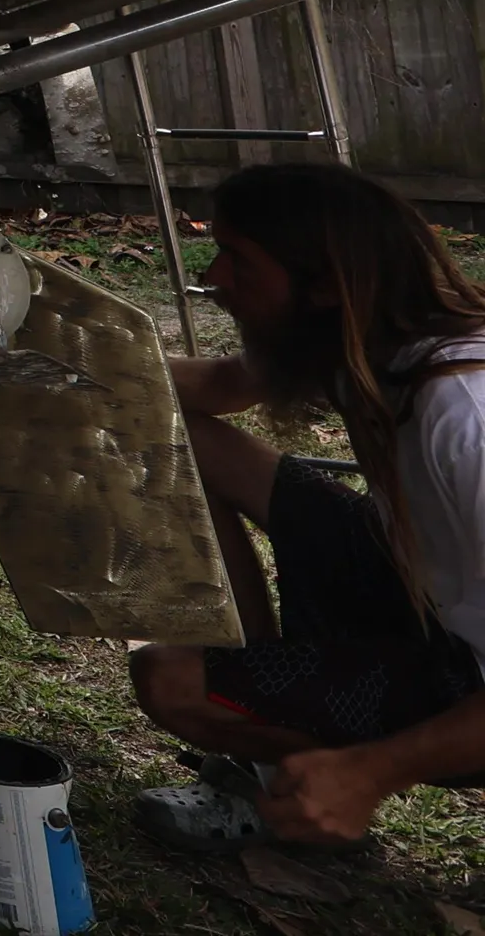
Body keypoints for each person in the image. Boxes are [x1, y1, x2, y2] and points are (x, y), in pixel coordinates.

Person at [129, 163, 485, 850]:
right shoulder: (356, 337)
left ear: (323, 283)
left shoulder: (464, 414)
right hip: (413, 580)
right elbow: (222, 385)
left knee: (171, 681)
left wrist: (372, 773)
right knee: (185, 439)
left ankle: (291, 782)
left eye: (238, 260)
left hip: (462, 672)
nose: (215, 278)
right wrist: (79, 373)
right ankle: (264, 693)